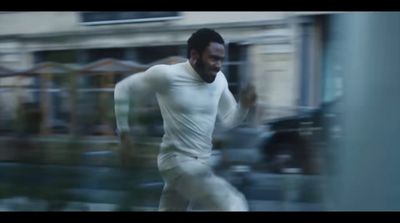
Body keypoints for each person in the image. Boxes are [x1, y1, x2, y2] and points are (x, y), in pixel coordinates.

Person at [114, 28, 256, 211]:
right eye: (213, 58)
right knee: (234, 204)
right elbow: (122, 89)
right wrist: (124, 133)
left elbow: (229, 119)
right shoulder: (167, 75)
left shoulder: (219, 80)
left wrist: (243, 106)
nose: (218, 65)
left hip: (201, 164)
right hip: (176, 161)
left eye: (221, 59)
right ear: (195, 55)